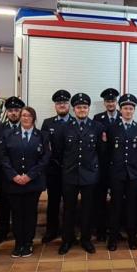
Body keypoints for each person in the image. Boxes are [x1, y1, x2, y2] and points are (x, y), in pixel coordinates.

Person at [54, 93, 105, 255]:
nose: (82, 110)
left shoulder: (97, 127)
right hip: (70, 174)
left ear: (88, 109)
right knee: (68, 209)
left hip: (89, 175)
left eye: (84, 107)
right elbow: (59, 152)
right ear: (74, 109)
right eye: (78, 107)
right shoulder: (65, 127)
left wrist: (95, 170)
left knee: (87, 209)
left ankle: (86, 239)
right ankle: (67, 240)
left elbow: (101, 152)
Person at [0, 106, 51, 257]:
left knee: (30, 213)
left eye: (28, 115)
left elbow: (45, 158)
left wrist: (29, 176)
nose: (25, 118)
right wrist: (14, 176)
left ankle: (28, 243)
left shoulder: (42, 136)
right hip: (13, 182)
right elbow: (3, 157)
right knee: (16, 213)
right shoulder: (8, 134)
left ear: (34, 118)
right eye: (23, 115)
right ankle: (18, 243)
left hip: (33, 183)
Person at [105, 93, 137, 250]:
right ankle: (113, 238)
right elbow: (107, 153)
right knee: (115, 206)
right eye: (125, 108)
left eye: (131, 108)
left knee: (132, 207)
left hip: (134, 175)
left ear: (134, 111)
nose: (128, 111)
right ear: (120, 110)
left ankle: (132, 237)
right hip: (116, 174)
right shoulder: (112, 128)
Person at [0, 96, 25, 246]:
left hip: (21, 174)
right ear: (7, 112)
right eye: (10, 110)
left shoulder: (28, 127)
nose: (14, 113)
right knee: (3, 205)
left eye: (17, 110)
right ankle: (1, 232)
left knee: (20, 206)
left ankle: (19, 232)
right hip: (3, 174)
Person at [40, 89, 72, 243]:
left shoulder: (76, 122)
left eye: (65, 102)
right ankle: (51, 230)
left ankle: (68, 231)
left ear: (69, 105)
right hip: (53, 170)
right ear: (55, 106)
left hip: (71, 170)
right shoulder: (48, 123)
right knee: (53, 202)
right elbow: (44, 148)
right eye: (59, 103)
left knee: (69, 203)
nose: (62, 105)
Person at [92, 87, 120, 242]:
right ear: (104, 103)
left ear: (116, 102)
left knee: (117, 199)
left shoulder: (123, 116)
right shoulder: (97, 118)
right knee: (100, 199)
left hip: (118, 166)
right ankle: (101, 229)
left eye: (113, 101)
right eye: (108, 101)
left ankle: (115, 228)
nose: (110, 103)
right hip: (102, 166)